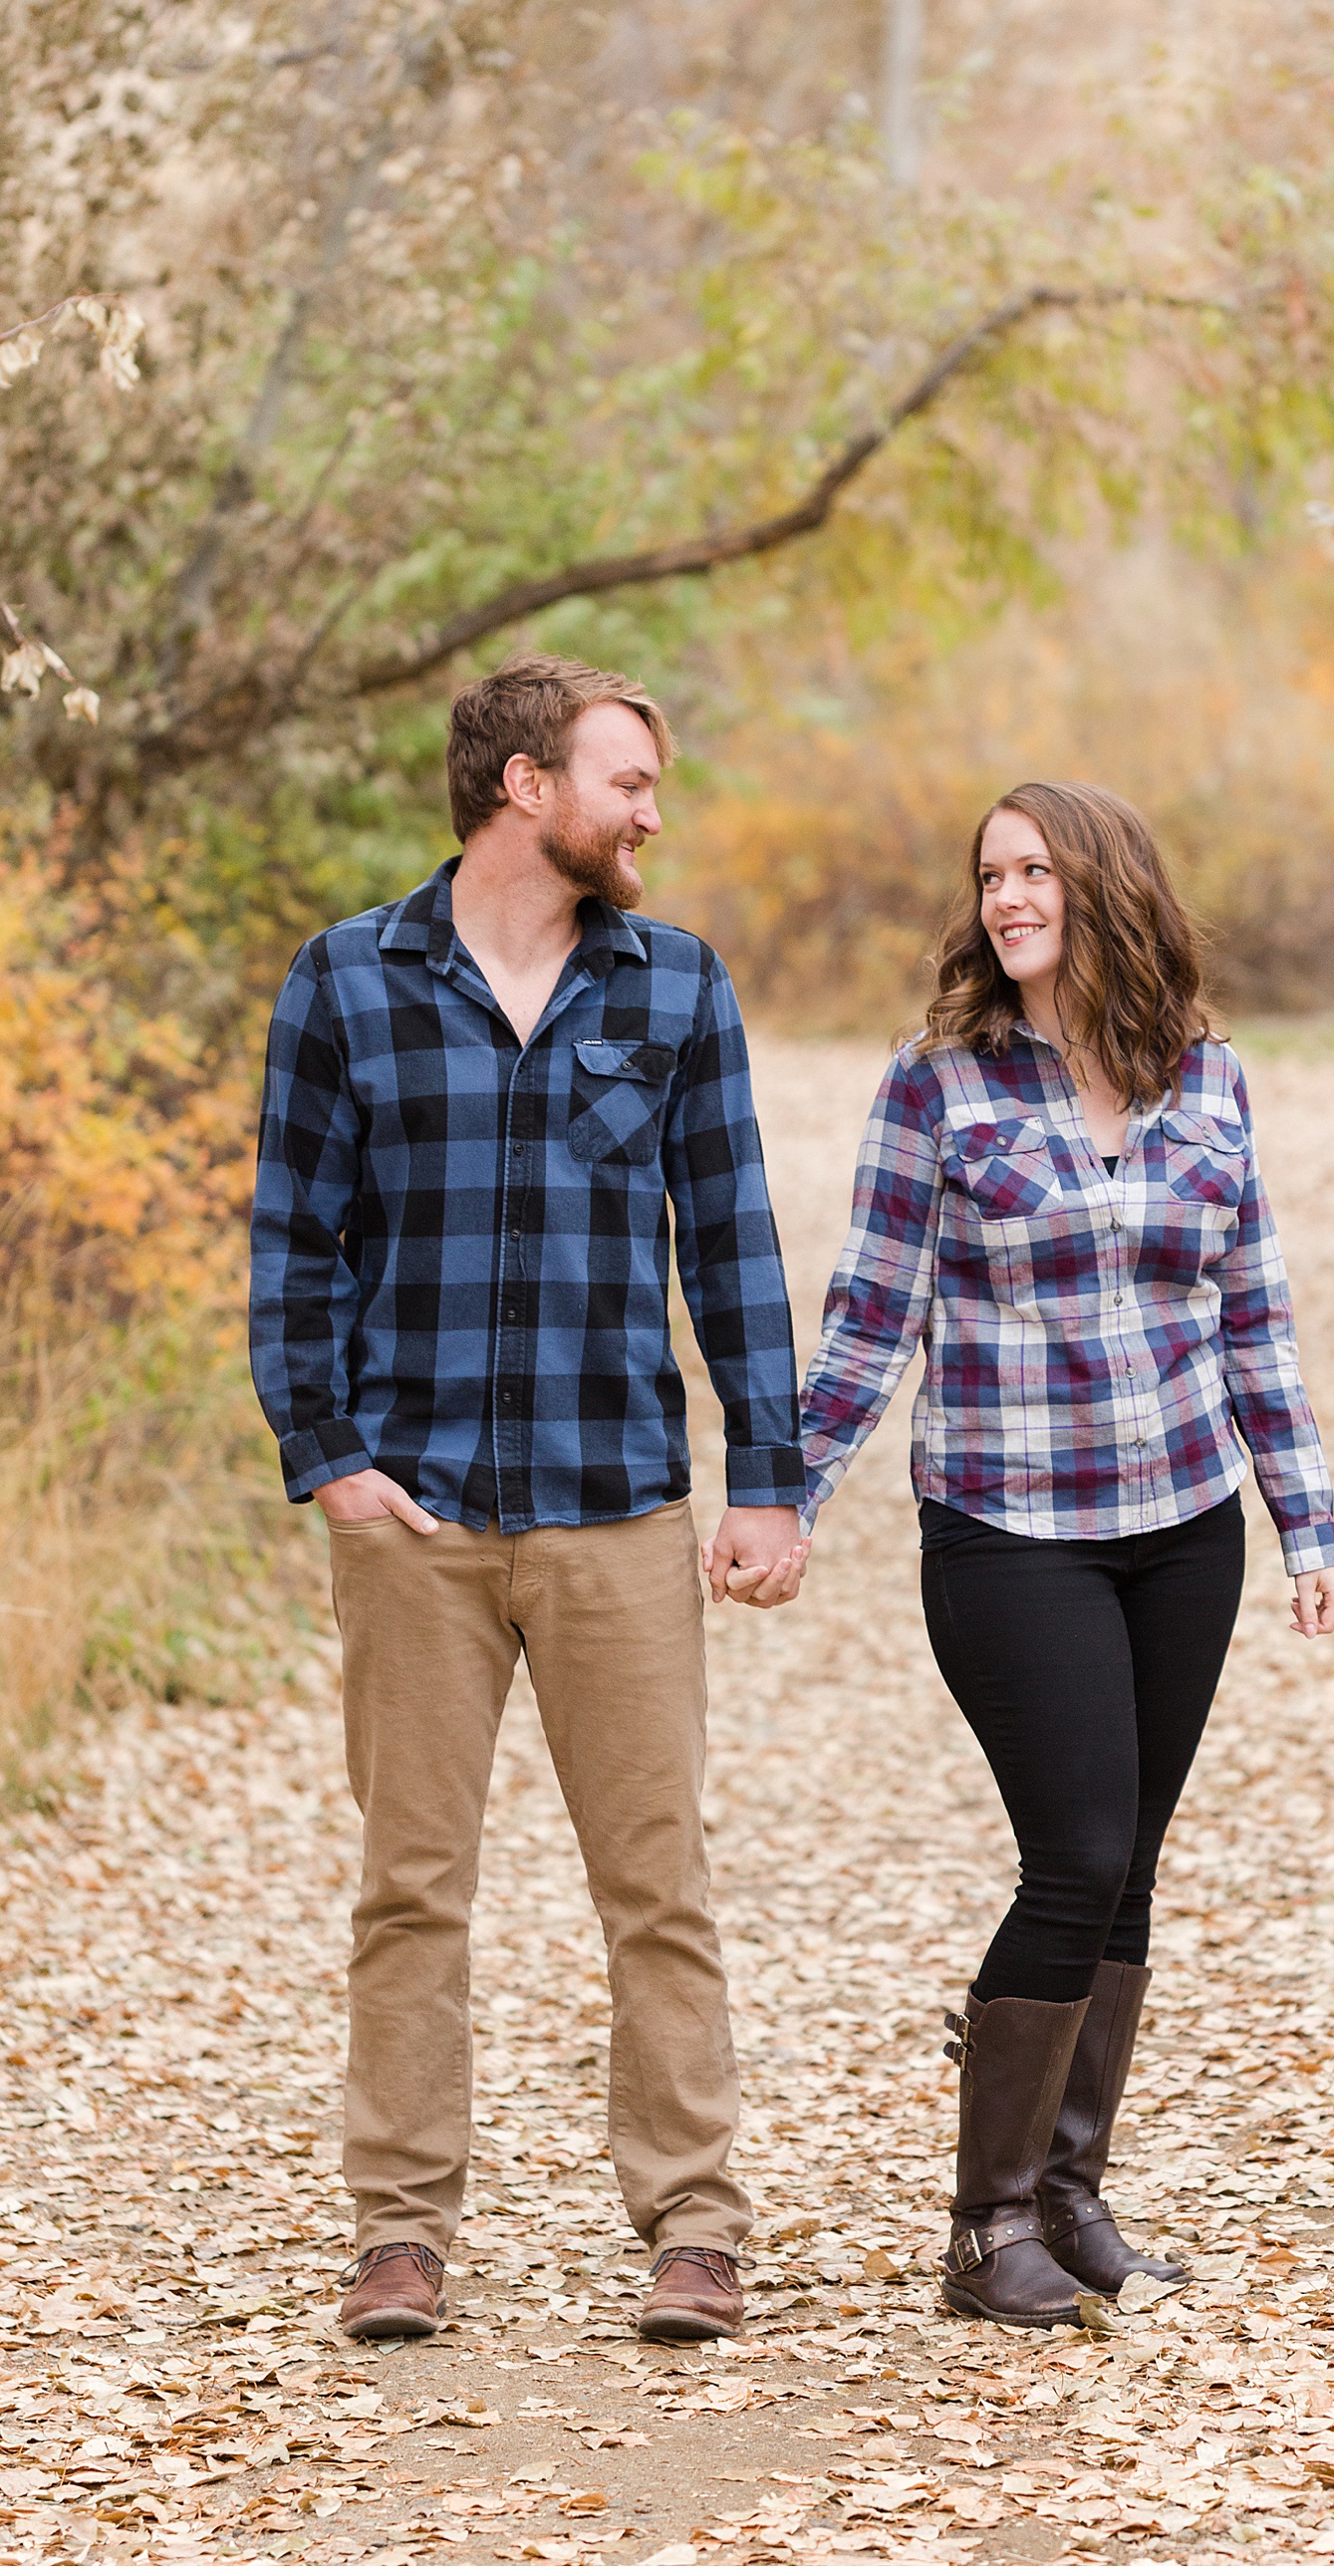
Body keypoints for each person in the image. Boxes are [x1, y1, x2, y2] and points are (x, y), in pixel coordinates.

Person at [249, 654, 808, 2349]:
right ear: (524, 787)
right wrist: (324, 1451)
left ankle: (695, 2230)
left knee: (660, 1883)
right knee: (412, 1884)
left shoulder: (674, 987)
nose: (653, 810)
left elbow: (732, 1244)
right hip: (414, 1523)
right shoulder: (346, 982)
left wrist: (768, 1478)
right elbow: (292, 1242)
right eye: (626, 780)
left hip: (616, 1508)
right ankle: (400, 2235)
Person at [797, 781, 1334, 2330]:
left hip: (1183, 1525)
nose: (1008, 897)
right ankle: (986, 2231)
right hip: (1008, 1524)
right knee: (1077, 1855)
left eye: (1036, 869)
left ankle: (1069, 2197)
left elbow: (1254, 1309)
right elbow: (872, 1309)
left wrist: (1303, 1514)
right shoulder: (943, 1088)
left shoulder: (1208, 1078)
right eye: (990, 874)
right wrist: (788, 1493)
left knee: (1131, 1870)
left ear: (1106, 887)